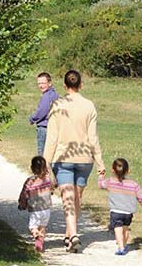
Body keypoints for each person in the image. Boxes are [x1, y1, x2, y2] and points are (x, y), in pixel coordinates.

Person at [42, 70, 105, 253]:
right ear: (81, 84)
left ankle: (73, 234)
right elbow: (93, 138)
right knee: (77, 197)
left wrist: (45, 163)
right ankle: (70, 235)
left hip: (63, 158)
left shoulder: (57, 105)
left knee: (68, 198)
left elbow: (51, 137)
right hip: (85, 158)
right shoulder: (89, 106)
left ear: (64, 85)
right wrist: (100, 163)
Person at [98, 158, 142, 255]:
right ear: (128, 171)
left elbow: (101, 185)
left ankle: (121, 247)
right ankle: (124, 243)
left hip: (116, 211)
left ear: (112, 170)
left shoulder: (110, 181)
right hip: (128, 212)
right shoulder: (133, 184)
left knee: (117, 228)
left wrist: (101, 176)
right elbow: (141, 196)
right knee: (125, 228)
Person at [17, 155, 55, 254]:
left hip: (35, 210)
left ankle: (36, 236)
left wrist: (22, 204)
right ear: (45, 168)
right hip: (46, 209)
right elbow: (52, 187)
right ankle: (40, 242)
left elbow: (24, 193)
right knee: (42, 226)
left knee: (33, 226)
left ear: (32, 168)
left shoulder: (30, 181)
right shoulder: (47, 179)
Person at [28, 72, 58, 155]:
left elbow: (42, 111)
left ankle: (42, 168)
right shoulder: (55, 94)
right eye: (39, 83)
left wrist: (32, 119)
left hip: (44, 128)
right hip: (53, 127)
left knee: (42, 153)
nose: (41, 86)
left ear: (50, 83)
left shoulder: (47, 96)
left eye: (43, 83)